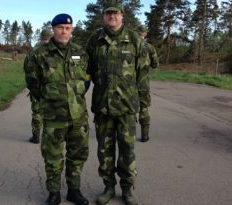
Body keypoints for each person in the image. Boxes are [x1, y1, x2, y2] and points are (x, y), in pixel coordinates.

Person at [86, 1, 150, 205]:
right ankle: (108, 188)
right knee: (104, 150)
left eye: (115, 13)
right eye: (108, 13)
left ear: (122, 15)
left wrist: (143, 104)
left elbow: (143, 74)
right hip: (103, 106)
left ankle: (127, 189)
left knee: (127, 150)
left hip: (127, 107)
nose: (112, 16)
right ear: (103, 16)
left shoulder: (134, 40)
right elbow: (85, 68)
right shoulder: (95, 39)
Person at [24, 13, 90, 205]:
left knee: (77, 155)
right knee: (52, 156)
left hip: (78, 116)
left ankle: (74, 190)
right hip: (54, 117)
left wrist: (75, 96)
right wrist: (49, 100)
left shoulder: (80, 52)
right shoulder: (38, 54)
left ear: (72, 30)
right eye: (60, 27)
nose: (64, 31)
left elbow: (86, 80)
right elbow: (32, 83)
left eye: (68, 28)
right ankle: (54, 193)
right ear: (53, 29)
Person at [27, 28, 53, 144]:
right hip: (52, 87)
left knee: (37, 112)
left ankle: (36, 136)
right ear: (50, 36)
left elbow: (27, 70)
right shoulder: (54, 50)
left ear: (41, 36)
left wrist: (31, 87)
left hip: (36, 87)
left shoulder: (33, 51)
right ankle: (50, 137)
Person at [136, 25, 159, 142]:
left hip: (128, 84)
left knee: (127, 109)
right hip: (143, 83)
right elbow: (155, 64)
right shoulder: (150, 48)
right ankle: (145, 135)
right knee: (143, 108)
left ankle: (125, 135)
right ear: (145, 34)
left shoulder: (130, 46)